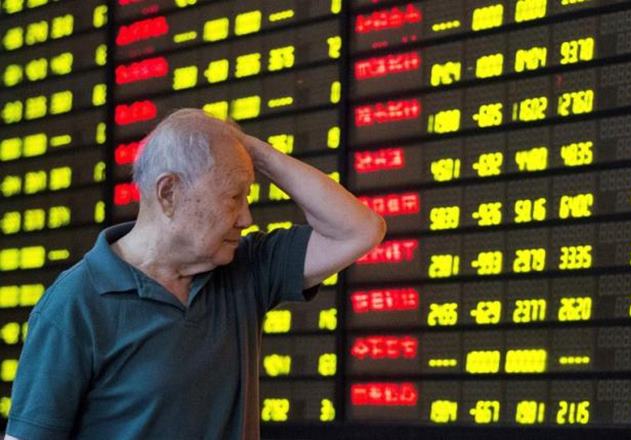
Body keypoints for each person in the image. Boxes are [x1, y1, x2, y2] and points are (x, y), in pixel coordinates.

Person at [4, 108, 386, 439]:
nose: (246, 218)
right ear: (169, 193)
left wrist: (259, 154)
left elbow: (360, 230)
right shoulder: (74, 305)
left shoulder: (246, 269)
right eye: (234, 197)